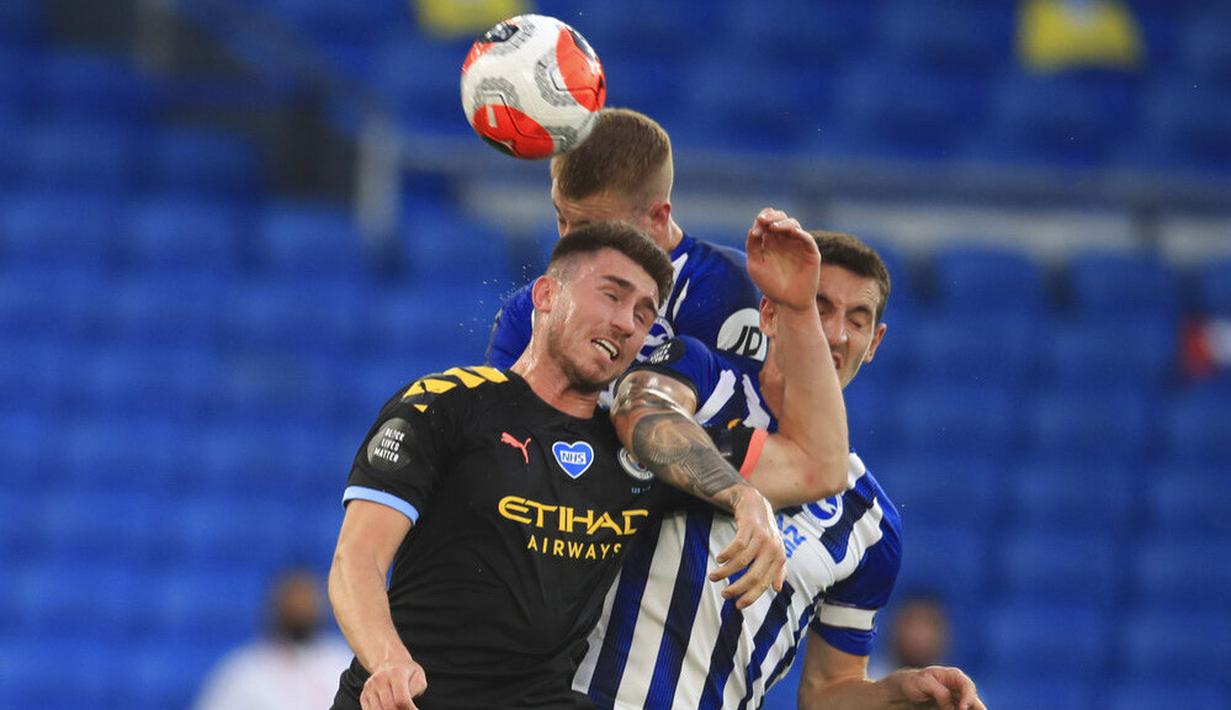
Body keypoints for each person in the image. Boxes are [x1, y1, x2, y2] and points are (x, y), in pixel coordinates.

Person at [327, 222, 787, 710]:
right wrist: (387, 661)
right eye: (612, 295)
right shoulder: (449, 403)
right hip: (408, 698)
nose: (627, 323)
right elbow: (356, 559)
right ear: (546, 295)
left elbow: (815, 466)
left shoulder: (639, 449)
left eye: (644, 314)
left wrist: (747, 498)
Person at [575, 226, 985, 709]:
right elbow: (642, 415)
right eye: (818, 308)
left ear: (874, 342)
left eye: (857, 320)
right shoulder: (705, 378)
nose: (835, 334)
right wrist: (740, 494)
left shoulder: (869, 522)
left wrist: (897, 693)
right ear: (770, 312)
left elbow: (826, 692)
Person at [487, 107, 766, 371]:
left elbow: (742, 417)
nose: (567, 245)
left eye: (591, 230)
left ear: (657, 218)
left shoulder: (724, 288)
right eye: (561, 218)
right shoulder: (530, 313)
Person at [194, 569, 353, 710]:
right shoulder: (244, 671)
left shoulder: (340, 661)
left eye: (306, 599)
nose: (299, 607)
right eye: (293, 601)